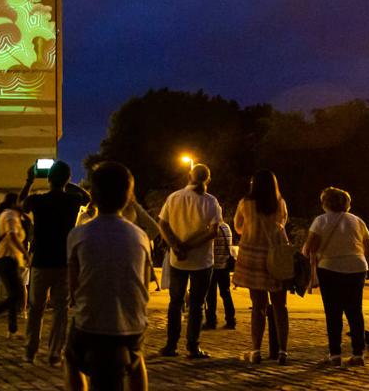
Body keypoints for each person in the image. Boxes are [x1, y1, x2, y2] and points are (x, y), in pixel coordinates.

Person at [66, 162, 150, 391]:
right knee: (136, 359)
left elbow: (74, 286)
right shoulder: (141, 236)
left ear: (93, 195)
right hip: (131, 325)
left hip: (90, 325)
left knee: (71, 358)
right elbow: (144, 282)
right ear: (128, 196)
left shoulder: (78, 235)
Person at [20, 161, 84, 365]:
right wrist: (68, 182)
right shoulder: (73, 201)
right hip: (64, 261)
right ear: (67, 179)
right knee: (60, 310)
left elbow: (21, 204)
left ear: (48, 180)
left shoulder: (38, 201)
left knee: (36, 309)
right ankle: (55, 352)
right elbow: (88, 197)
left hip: (41, 260)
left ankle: (30, 351)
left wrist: (30, 180)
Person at [157, 164, 223, 359]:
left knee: (175, 303)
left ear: (189, 176)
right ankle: (193, 346)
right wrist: (189, 246)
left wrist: (176, 245)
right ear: (208, 180)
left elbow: (162, 223)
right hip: (202, 261)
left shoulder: (174, 198)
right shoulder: (211, 202)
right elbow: (213, 231)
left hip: (178, 260)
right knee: (197, 304)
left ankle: (170, 345)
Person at [302, 187, 369, 367]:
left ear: (325, 203)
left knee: (333, 312)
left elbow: (310, 248)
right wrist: (363, 263)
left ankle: (335, 354)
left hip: (330, 268)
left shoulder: (321, 221)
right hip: (357, 268)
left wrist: (306, 257)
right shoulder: (357, 221)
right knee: (355, 311)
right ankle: (358, 353)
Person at [233, 170, 290, 364]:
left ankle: (256, 350)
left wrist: (252, 229)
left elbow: (238, 227)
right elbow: (283, 223)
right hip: (277, 256)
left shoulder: (245, 204)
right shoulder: (279, 203)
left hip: (252, 256)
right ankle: (283, 351)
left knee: (258, 306)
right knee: (280, 306)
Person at [0, 193, 30, 337]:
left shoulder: (8, 214)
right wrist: (25, 253)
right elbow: (12, 236)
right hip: (6, 258)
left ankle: (12, 329)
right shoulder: (10, 215)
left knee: (13, 294)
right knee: (18, 294)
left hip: (6, 258)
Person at [204, 221, 236, 331]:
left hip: (213, 266)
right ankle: (231, 320)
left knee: (211, 296)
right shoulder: (226, 227)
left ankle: (211, 321)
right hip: (224, 266)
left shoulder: (212, 229)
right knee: (226, 293)